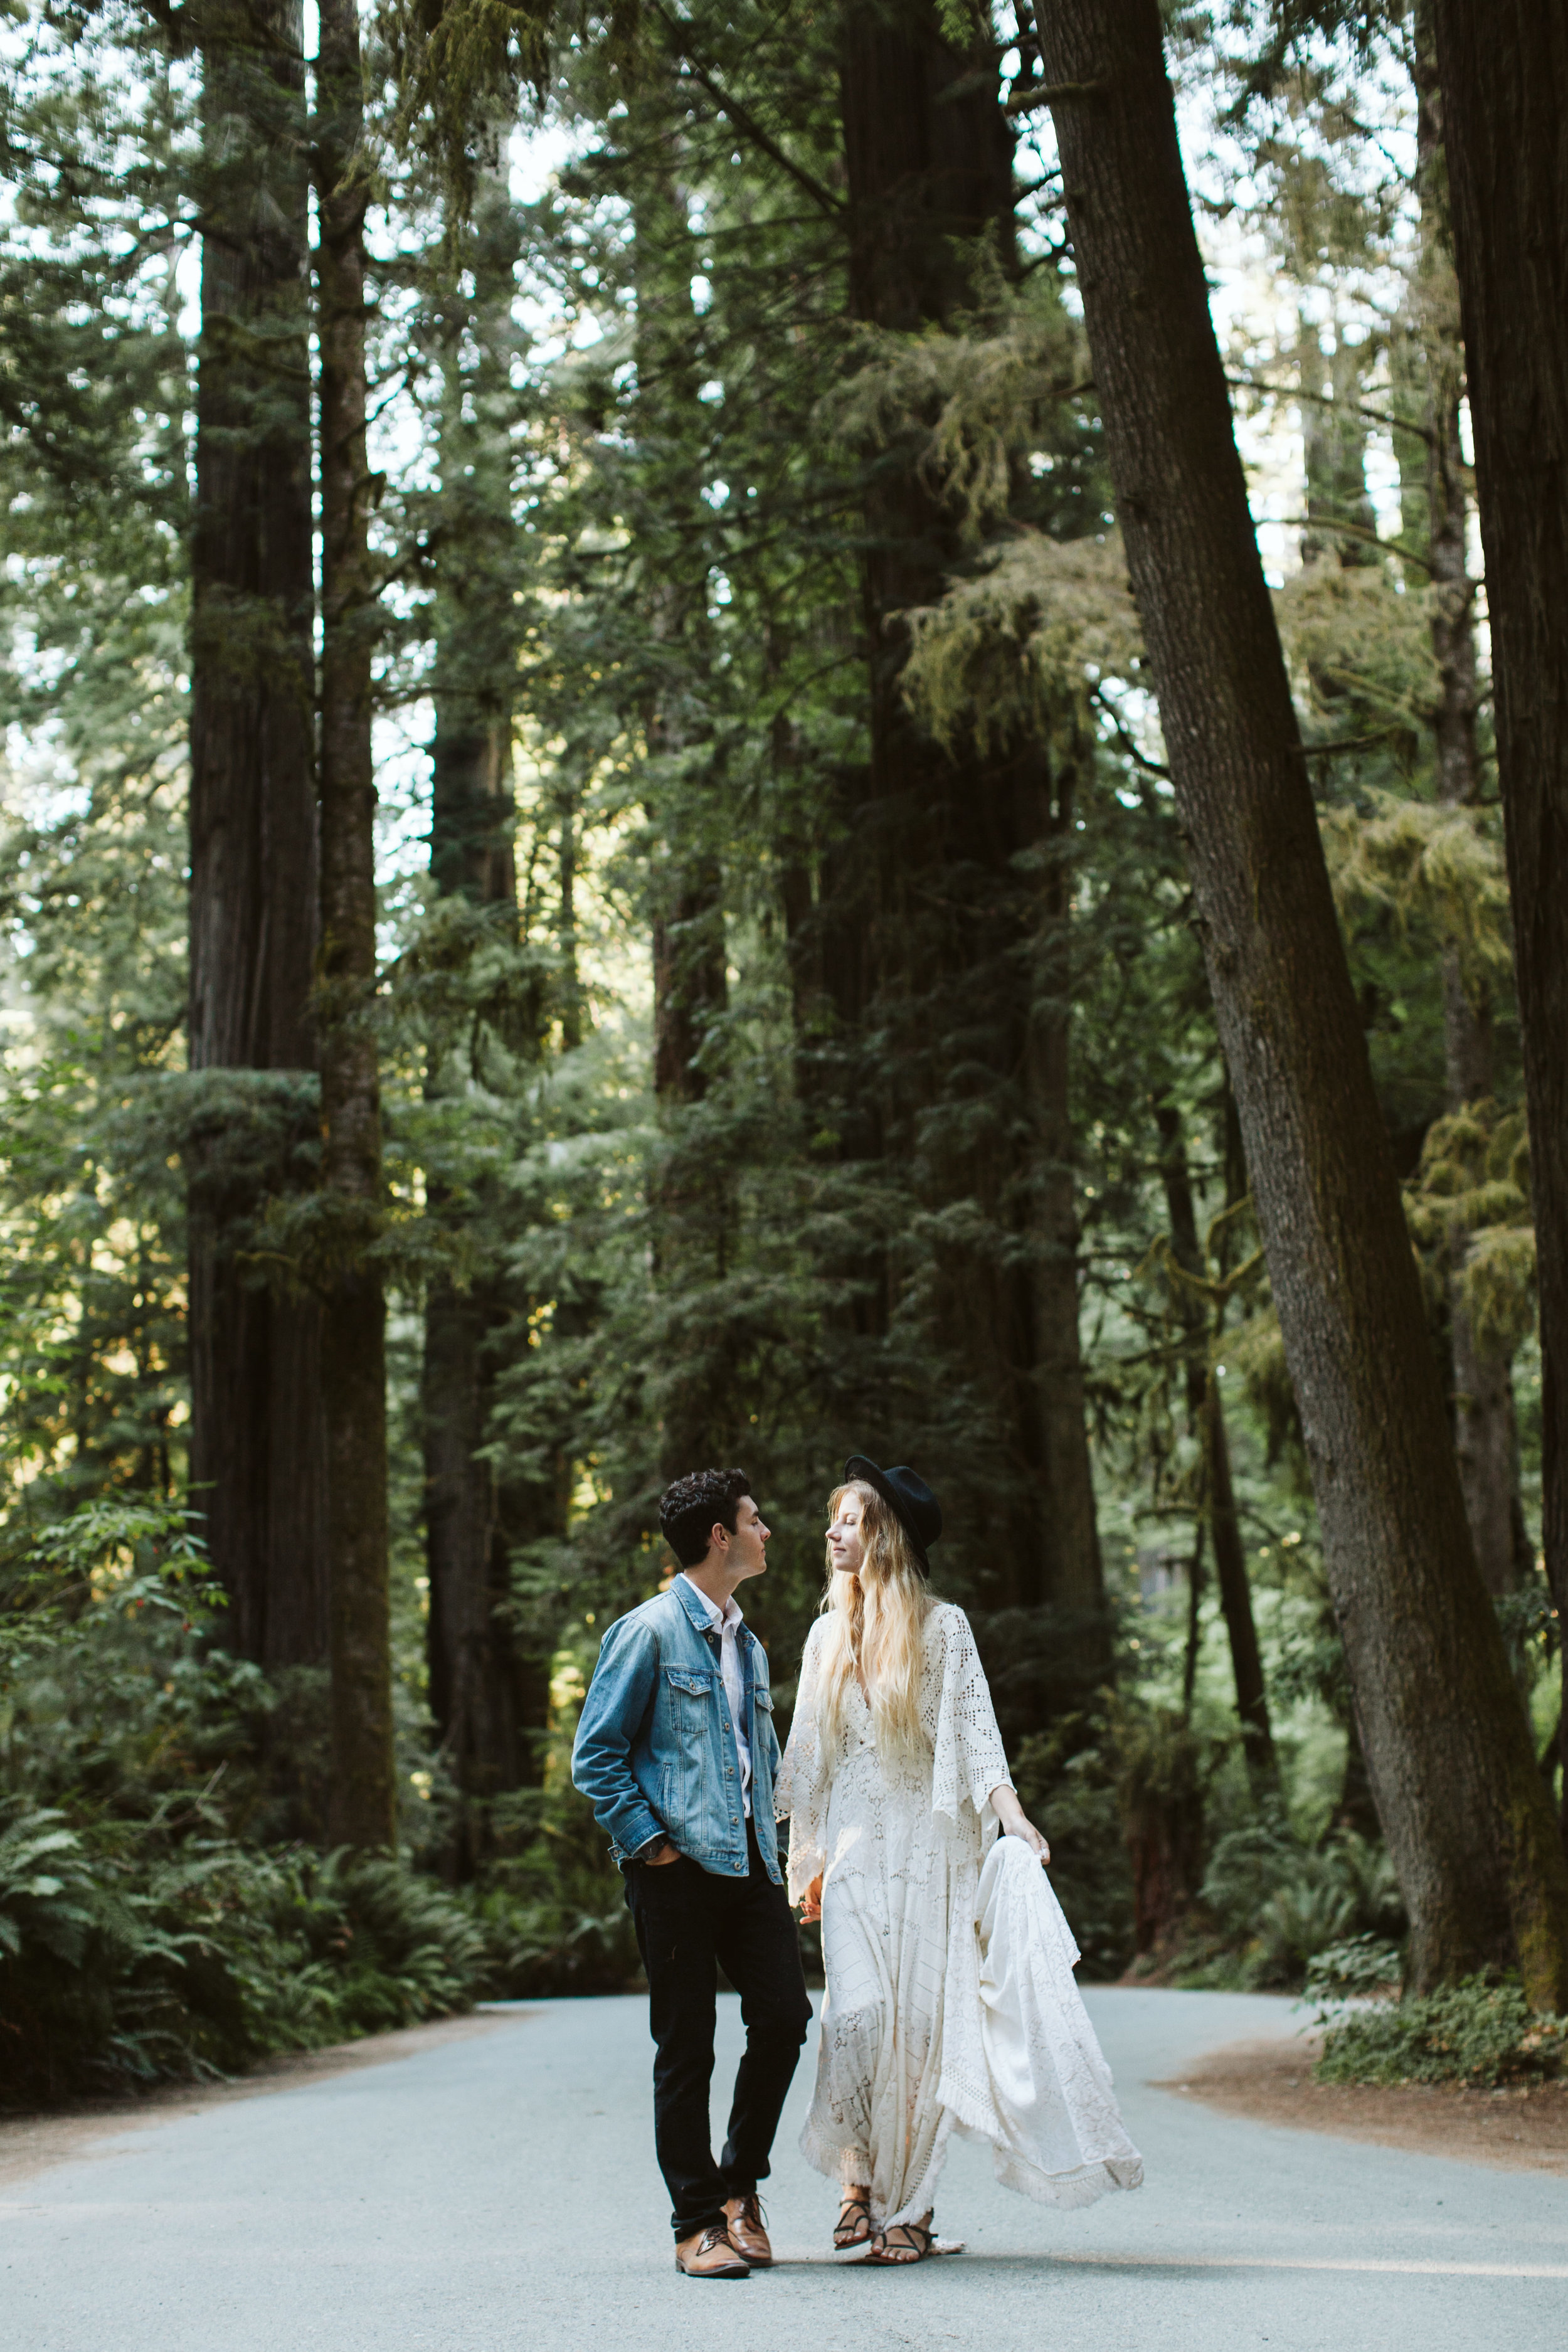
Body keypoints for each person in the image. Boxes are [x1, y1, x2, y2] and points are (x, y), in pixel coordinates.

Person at [776, 1456, 1143, 2265]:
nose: (834, 1532)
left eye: (852, 1520)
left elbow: (978, 1742)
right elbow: (806, 1758)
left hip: (932, 1854)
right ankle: (857, 2175)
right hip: (854, 1856)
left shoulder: (944, 1630)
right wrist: (803, 1860)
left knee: (923, 2034)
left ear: (888, 1538)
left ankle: (908, 2208)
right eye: (833, 1518)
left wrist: (1014, 1822)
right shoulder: (822, 1637)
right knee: (857, 2017)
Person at [572, 1467, 812, 2280]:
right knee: (688, 2045)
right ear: (721, 1536)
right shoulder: (646, 1632)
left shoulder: (748, 1643)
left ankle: (740, 2187)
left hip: (748, 1865)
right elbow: (596, 1756)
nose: (766, 1529)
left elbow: (757, 1762)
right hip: (671, 1871)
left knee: (782, 2019)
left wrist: (785, 1857)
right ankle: (696, 2222)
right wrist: (654, 1844)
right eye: (755, 1517)